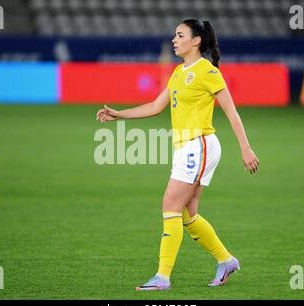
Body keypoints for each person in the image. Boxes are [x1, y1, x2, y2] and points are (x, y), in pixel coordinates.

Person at [96, 19, 260, 291]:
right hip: (187, 147)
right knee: (187, 214)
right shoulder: (177, 72)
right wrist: (119, 115)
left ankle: (162, 277)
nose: (174, 39)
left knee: (170, 205)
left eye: (180, 35)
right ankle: (225, 260)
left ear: (195, 41)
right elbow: (155, 106)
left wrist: (245, 147)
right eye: (174, 34)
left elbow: (231, 111)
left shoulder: (207, 71)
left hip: (200, 145)